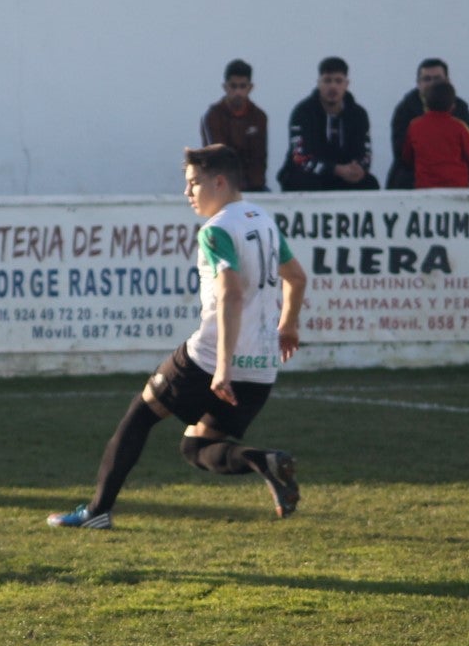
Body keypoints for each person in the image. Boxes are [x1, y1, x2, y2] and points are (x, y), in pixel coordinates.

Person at [50, 144, 306, 529]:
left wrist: (221, 368)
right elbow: (297, 278)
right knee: (196, 446)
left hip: (209, 358)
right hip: (262, 366)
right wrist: (288, 326)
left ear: (218, 182)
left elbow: (231, 294)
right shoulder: (263, 220)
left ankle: (97, 512)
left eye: (193, 184)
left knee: (139, 416)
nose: (187, 193)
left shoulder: (216, 230)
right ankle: (262, 460)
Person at [276, 56, 379, 191]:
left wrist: (359, 167)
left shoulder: (358, 114)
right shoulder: (303, 113)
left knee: (370, 183)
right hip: (310, 174)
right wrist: (334, 169)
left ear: (346, 84)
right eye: (327, 81)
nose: (333, 86)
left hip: (344, 175)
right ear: (319, 83)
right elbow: (299, 157)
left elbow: (365, 153)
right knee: (302, 181)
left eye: (338, 81)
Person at [387, 58, 469, 190]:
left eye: (437, 79)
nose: (432, 84)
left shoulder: (460, 107)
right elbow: (401, 152)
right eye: (427, 79)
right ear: (418, 84)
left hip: (453, 172)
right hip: (416, 173)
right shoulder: (405, 109)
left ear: (448, 81)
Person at [403, 80, 469, 189]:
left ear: (426, 103)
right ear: (452, 106)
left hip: (425, 189)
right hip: (457, 189)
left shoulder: (414, 126)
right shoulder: (459, 127)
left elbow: (407, 158)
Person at [199, 59, 269, 192]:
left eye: (242, 86)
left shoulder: (259, 117)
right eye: (233, 86)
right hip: (219, 185)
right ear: (225, 87)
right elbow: (217, 158)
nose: (238, 92)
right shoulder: (213, 116)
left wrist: (254, 188)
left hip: (252, 187)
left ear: (250, 88)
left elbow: (259, 159)